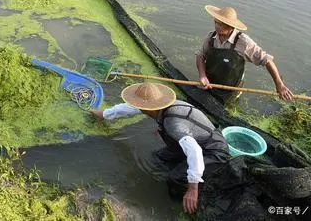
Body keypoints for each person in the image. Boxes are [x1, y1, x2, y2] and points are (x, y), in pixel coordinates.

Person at [92, 83, 229, 215]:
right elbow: (129, 109)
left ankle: (185, 204)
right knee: (159, 157)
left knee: (175, 178)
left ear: (150, 108)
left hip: (213, 150)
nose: (138, 108)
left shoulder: (173, 124)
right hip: (195, 141)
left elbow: (195, 151)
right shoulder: (162, 107)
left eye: (141, 106)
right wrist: (104, 114)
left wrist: (193, 188)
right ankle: (186, 172)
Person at [196, 5, 293, 103]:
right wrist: (202, 75)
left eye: (220, 24)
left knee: (228, 107)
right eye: (215, 22)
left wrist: (279, 84)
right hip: (209, 82)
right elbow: (201, 55)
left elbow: (267, 60)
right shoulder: (211, 37)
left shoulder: (244, 42)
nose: (216, 26)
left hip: (231, 89)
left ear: (230, 26)